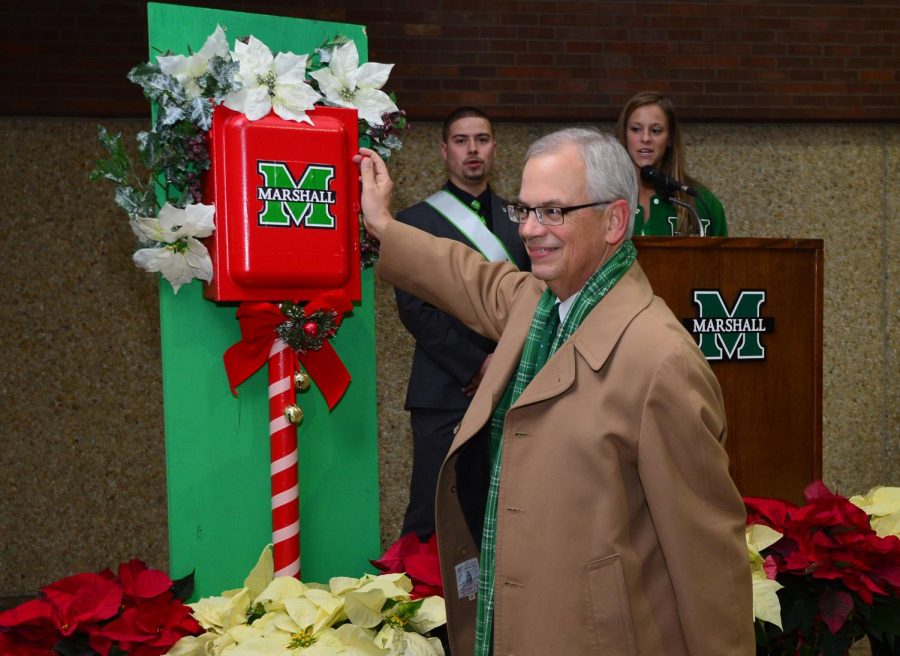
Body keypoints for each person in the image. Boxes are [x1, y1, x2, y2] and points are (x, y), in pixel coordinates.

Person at [356, 128, 753, 655]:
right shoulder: (542, 305)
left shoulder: (662, 361)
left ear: (614, 219)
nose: (529, 229)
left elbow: (707, 561)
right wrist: (385, 224)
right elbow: (469, 277)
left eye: (553, 212)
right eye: (525, 209)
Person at [393, 107, 529, 541]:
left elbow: (536, 298)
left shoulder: (523, 219)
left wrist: (505, 362)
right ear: (444, 151)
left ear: (495, 148)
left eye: (482, 139)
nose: (473, 150)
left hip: (516, 386)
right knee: (434, 507)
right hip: (447, 387)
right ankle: (420, 604)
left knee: (508, 508)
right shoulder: (416, 222)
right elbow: (416, 309)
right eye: (461, 140)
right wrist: (476, 364)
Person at [616, 90, 728, 236]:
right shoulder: (604, 198)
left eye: (656, 131)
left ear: (669, 138)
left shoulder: (701, 203)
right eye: (636, 129)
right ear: (625, 134)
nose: (645, 138)